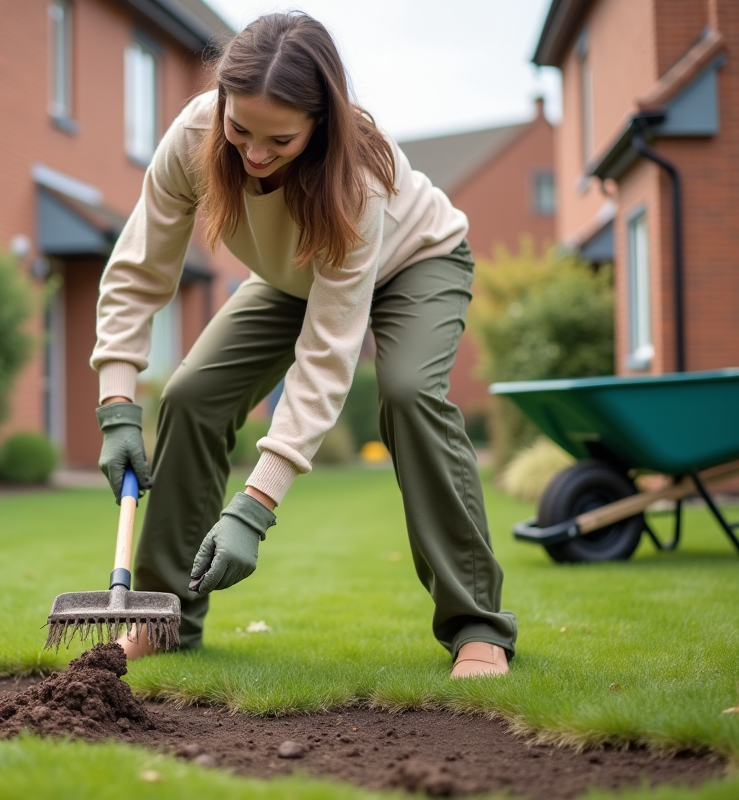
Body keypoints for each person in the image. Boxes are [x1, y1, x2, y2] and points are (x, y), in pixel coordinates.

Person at [90, 12, 516, 678]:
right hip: (294, 276)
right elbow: (140, 268)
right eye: (241, 130)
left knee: (407, 396)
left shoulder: (357, 180)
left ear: (319, 123)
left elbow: (326, 356)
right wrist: (116, 402)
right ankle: (163, 615)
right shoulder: (196, 136)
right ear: (223, 103)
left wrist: (254, 508)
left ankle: (477, 627)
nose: (254, 154)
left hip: (415, 261)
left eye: (279, 139)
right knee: (192, 395)